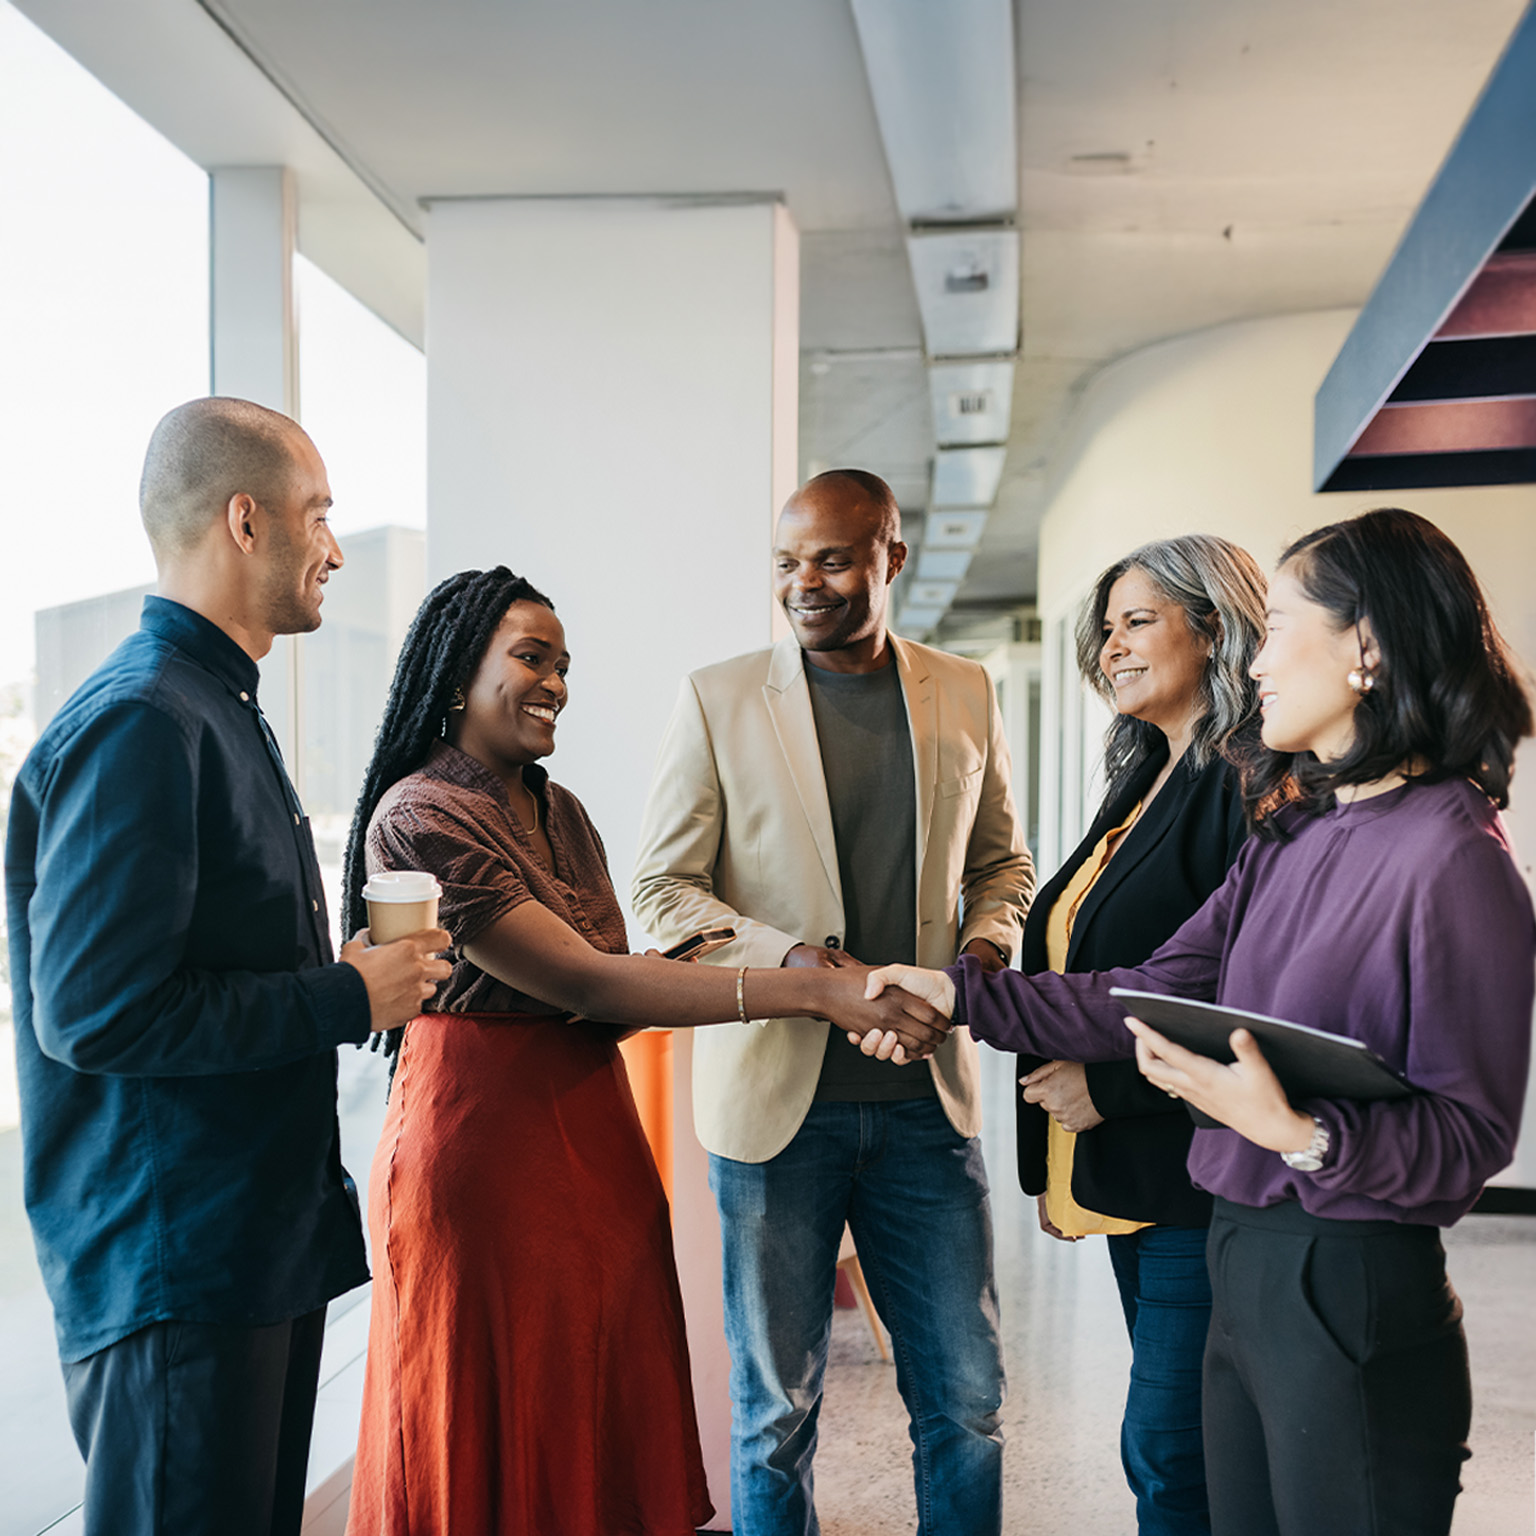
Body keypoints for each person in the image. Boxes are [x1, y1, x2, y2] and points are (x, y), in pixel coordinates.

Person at [856, 508, 1536, 1536]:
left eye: (1281, 630)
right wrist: (960, 993)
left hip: (1345, 1273)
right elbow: (1145, 987)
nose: (1255, 662)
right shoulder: (1295, 833)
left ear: (1367, 646)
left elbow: (1468, 1143)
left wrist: (1299, 1132)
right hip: (1237, 1251)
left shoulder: (1456, 860)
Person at [341, 564, 950, 1536]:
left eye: (564, 665)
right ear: (457, 674)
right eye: (531, 658)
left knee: (592, 1396)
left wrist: (698, 962)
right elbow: (587, 982)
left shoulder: (561, 808)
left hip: (593, 1133)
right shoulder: (420, 814)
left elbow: (602, 992)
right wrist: (815, 992)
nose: (555, 685)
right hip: (482, 1149)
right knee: (496, 1410)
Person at [3, 398, 452, 1536]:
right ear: (246, 520)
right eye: (319, 516)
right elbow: (100, 1016)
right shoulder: (144, 721)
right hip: (176, 1271)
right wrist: (347, 995)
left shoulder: (213, 706)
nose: (336, 549)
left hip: (244, 1253)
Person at [632, 468, 1034, 1536]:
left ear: (890, 557)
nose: (804, 583)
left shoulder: (965, 690)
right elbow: (664, 890)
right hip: (774, 1113)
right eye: (785, 562)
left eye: (832, 559)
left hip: (925, 1109)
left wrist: (985, 954)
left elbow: (1003, 867)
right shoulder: (718, 696)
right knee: (775, 1414)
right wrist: (810, 973)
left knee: (967, 1402)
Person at [1017, 535, 1266, 1534]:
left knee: (1172, 1447)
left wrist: (1107, 1093)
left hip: (1197, 1175)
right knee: (1177, 1445)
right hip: (1131, 1173)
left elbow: (1253, 1006)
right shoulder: (1147, 777)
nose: (1111, 646)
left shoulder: (1245, 786)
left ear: (1213, 630)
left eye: (1137, 621)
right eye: (1105, 628)